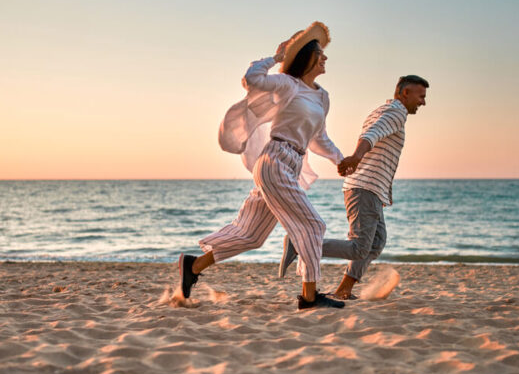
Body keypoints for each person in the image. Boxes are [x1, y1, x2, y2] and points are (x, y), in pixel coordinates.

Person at [178, 22, 346, 309]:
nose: (325, 57)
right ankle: (309, 296)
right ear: (307, 57)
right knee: (313, 225)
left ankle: (193, 267)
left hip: (292, 163)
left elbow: (319, 138)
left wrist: (341, 160)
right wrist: (276, 58)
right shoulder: (287, 85)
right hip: (274, 160)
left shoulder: (322, 96)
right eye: (320, 53)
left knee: (252, 235)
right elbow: (252, 78)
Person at [278, 75, 429, 299]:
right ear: (405, 93)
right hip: (365, 187)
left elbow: (372, 135)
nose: (423, 102)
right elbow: (371, 135)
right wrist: (356, 158)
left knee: (376, 243)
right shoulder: (395, 113)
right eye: (421, 96)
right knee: (359, 247)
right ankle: (300, 242)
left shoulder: (382, 110)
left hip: (370, 189)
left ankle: (344, 289)